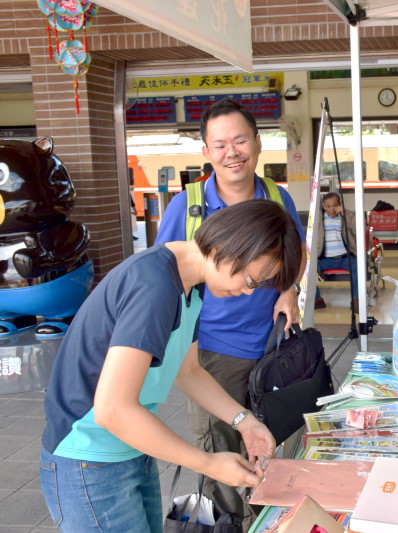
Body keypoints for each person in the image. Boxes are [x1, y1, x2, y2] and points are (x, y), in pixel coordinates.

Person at [39, 199, 303, 532]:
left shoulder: (189, 284)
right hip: (88, 459)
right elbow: (112, 410)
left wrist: (244, 421)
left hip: (127, 449)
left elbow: (188, 370)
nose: (248, 292)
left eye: (260, 285)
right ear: (226, 246)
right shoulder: (154, 287)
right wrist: (209, 463)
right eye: (251, 279)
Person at [155, 97, 305, 529]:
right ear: (206, 152)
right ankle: (229, 525)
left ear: (258, 144)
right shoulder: (187, 207)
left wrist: (289, 290)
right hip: (211, 355)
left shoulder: (279, 198)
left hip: (274, 347)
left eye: (240, 141)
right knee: (219, 452)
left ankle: (270, 521)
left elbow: (294, 257)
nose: (231, 152)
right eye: (219, 144)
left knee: (273, 444)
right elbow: (167, 272)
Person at [314, 191, 359, 310]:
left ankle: (356, 300)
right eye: (328, 206)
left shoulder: (348, 216)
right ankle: (316, 299)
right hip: (324, 259)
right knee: (307, 269)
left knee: (359, 266)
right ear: (323, 206)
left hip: (346, 257)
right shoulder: (318, 219)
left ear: (340, 204)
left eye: (334, 205)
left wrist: (345, 213)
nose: (331, 209)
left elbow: (359, 230)